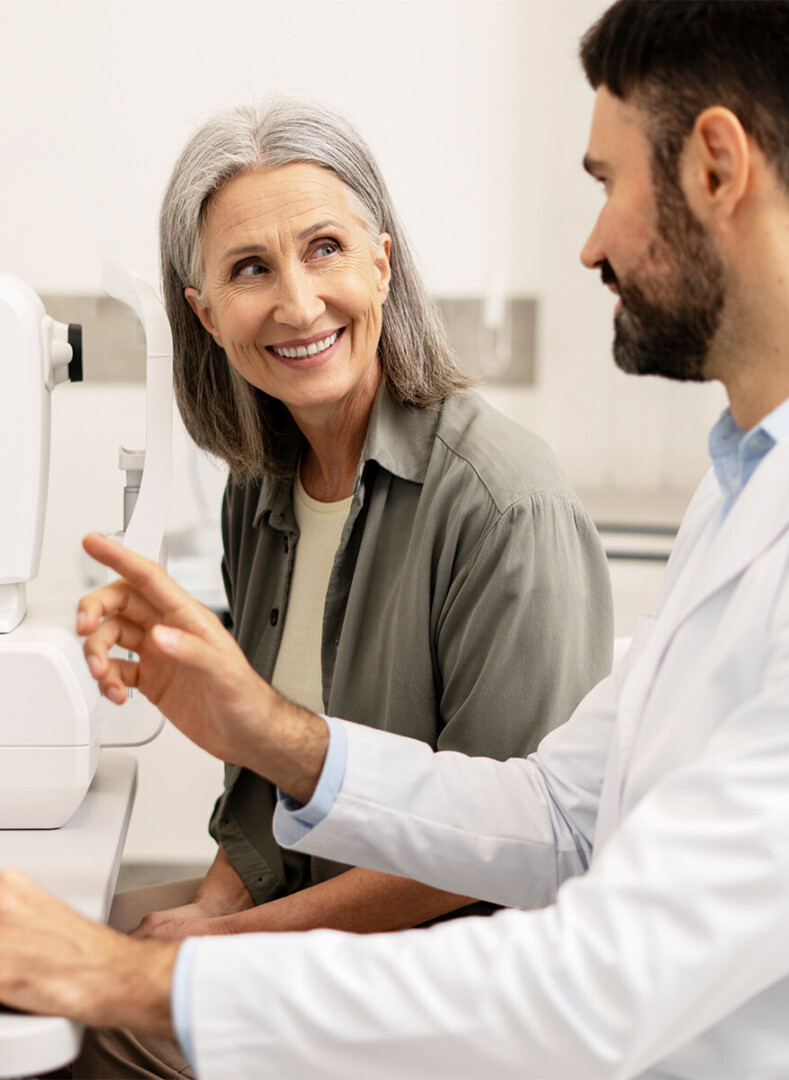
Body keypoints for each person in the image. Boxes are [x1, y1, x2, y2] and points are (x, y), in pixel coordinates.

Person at [3, 1, 789, 1077]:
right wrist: (272, 733)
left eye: (607, 183)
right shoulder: (748, 486)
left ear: (718, 169)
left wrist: (137, 976)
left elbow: (607, 978)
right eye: (249, 269)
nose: (590, 244)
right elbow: (553, 816)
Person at [71, 98, 613, 1076]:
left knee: (78, 1004)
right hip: (315, 931)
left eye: (325, 249)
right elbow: (263, 778)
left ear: (382, 265)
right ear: (205, 313)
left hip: (452, 983)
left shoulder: (504, 502)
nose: (297, 302)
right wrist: (215, 907)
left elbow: (502, 852)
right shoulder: (259, 488)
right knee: (54, 953)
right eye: (250, 268)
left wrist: (226, 947)